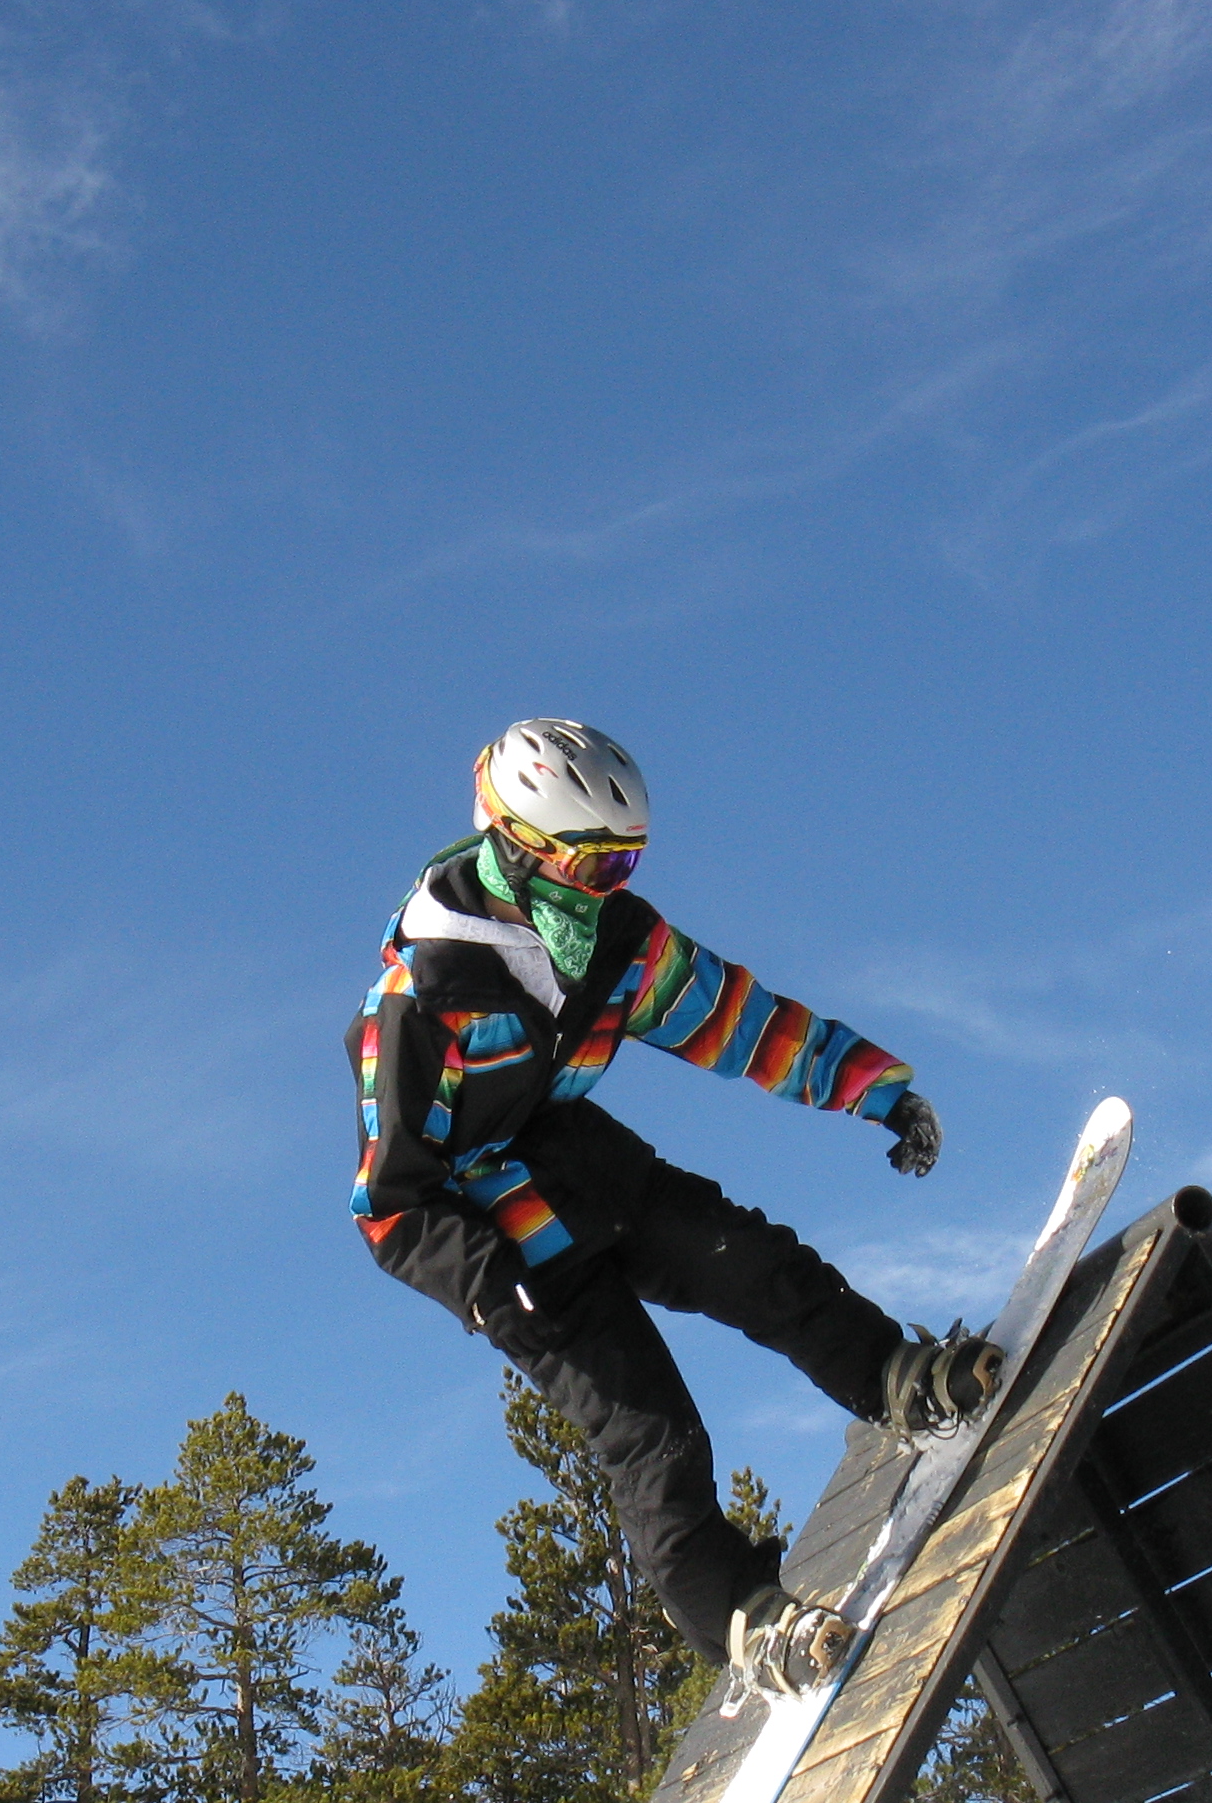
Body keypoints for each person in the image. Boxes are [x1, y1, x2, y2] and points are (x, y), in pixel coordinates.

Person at [349, 719, 1003, 1699]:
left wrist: (877, 1091)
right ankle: (741, 1616)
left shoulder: (620, 942)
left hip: (590, 1167)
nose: (610, 887)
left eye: (628, 863)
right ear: (521, 845)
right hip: (510, 1250)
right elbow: (389, 1204)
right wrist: (487, 1289)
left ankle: (894, 1378)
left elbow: (741, 1022)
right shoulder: (422, 996)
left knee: (754, 1261)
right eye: (595, 865)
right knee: (654, 1434)